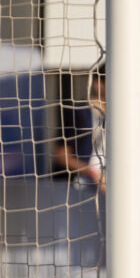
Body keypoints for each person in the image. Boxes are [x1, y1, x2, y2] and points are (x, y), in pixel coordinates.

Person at [52, 64, 106, 192]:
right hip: (81, 185)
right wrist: (92, 173)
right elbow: (60, 155)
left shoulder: (121, 118)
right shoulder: (79, 112)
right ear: (98, 83)